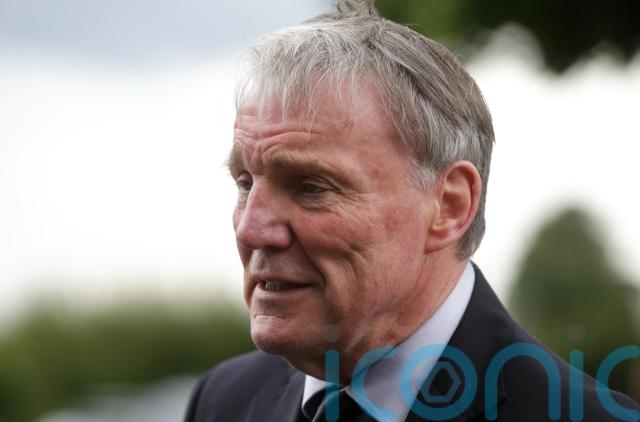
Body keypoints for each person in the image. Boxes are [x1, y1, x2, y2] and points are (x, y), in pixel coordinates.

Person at [184, 1, 640, 421]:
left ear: (449, 206)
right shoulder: (223, 402)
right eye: (245, 183)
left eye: (310, 187)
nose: (251, 229)